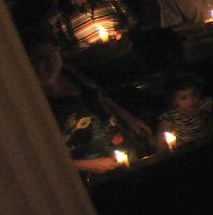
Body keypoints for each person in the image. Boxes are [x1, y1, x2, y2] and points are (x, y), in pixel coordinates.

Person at [30, 39, 152, 176]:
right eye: (34, 62)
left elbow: (100, 97)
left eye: (48, 57)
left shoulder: (70, 72)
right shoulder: (32, 101)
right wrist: (87, 165)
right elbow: (37, 156)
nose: (42, 67)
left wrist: (129, 118)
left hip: (120, 145)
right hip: (93, 171)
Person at [46, 0, 143, 86]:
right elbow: (60, 55)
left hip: (128, 61)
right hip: (97, 74)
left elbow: (132, 21)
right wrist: (90, 52)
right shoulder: (56, 20)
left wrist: (121, 33)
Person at [154, 73, 213, 148]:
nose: (191, 101)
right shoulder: (170, 118)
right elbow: (161, 147)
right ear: (174, 100)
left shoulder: (206, 106)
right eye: (183, 98)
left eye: (194, 95)